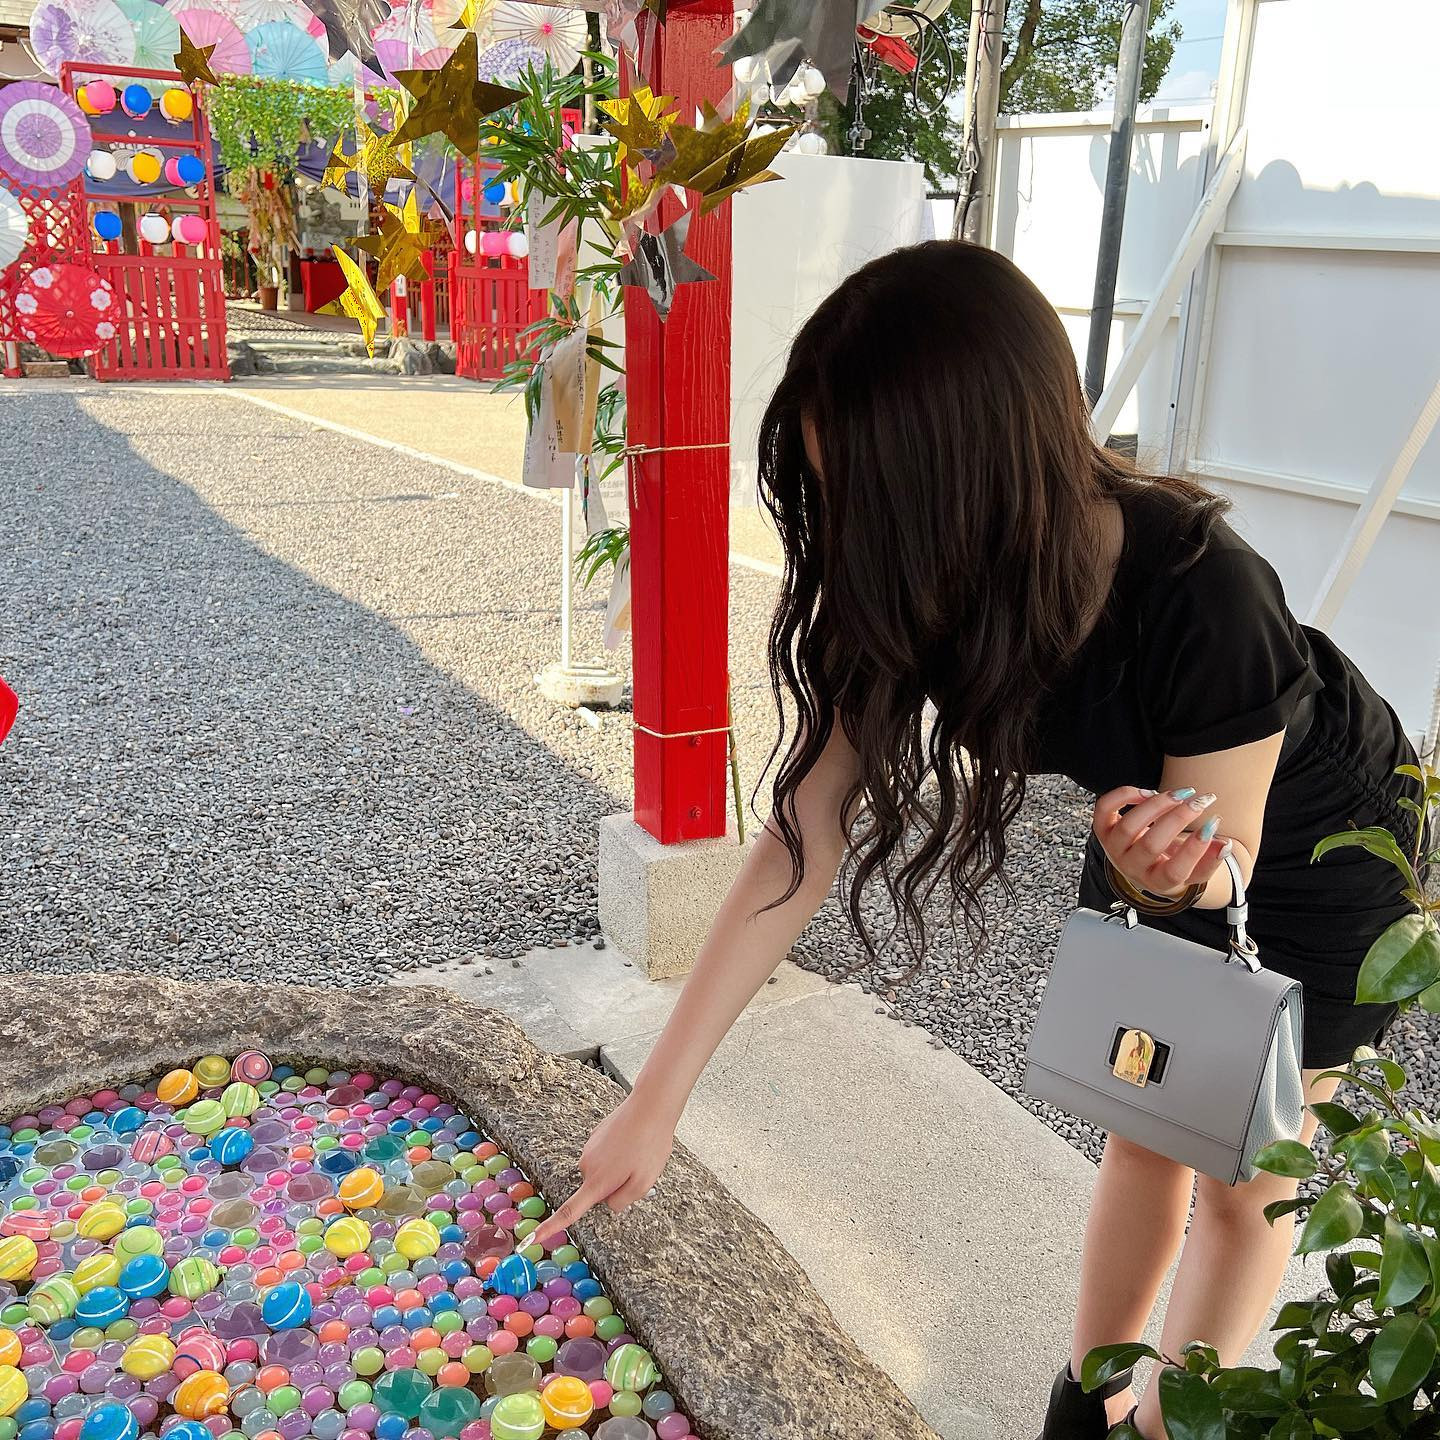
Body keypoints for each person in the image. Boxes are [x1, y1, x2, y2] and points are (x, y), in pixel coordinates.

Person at [533, 242, 1422, 1438]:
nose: (846, 529)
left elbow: (1232, 855)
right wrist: (658, 1097)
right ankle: (1090, 1393)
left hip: (1320, 854)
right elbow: (803, 836)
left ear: (977, 475)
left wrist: (1172, 871)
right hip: (1144, 840)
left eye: (872, 494)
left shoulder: (1206, 594)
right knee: (1143, 1127)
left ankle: (1170, 1424)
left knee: (1240, 1175)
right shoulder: (914, 575)